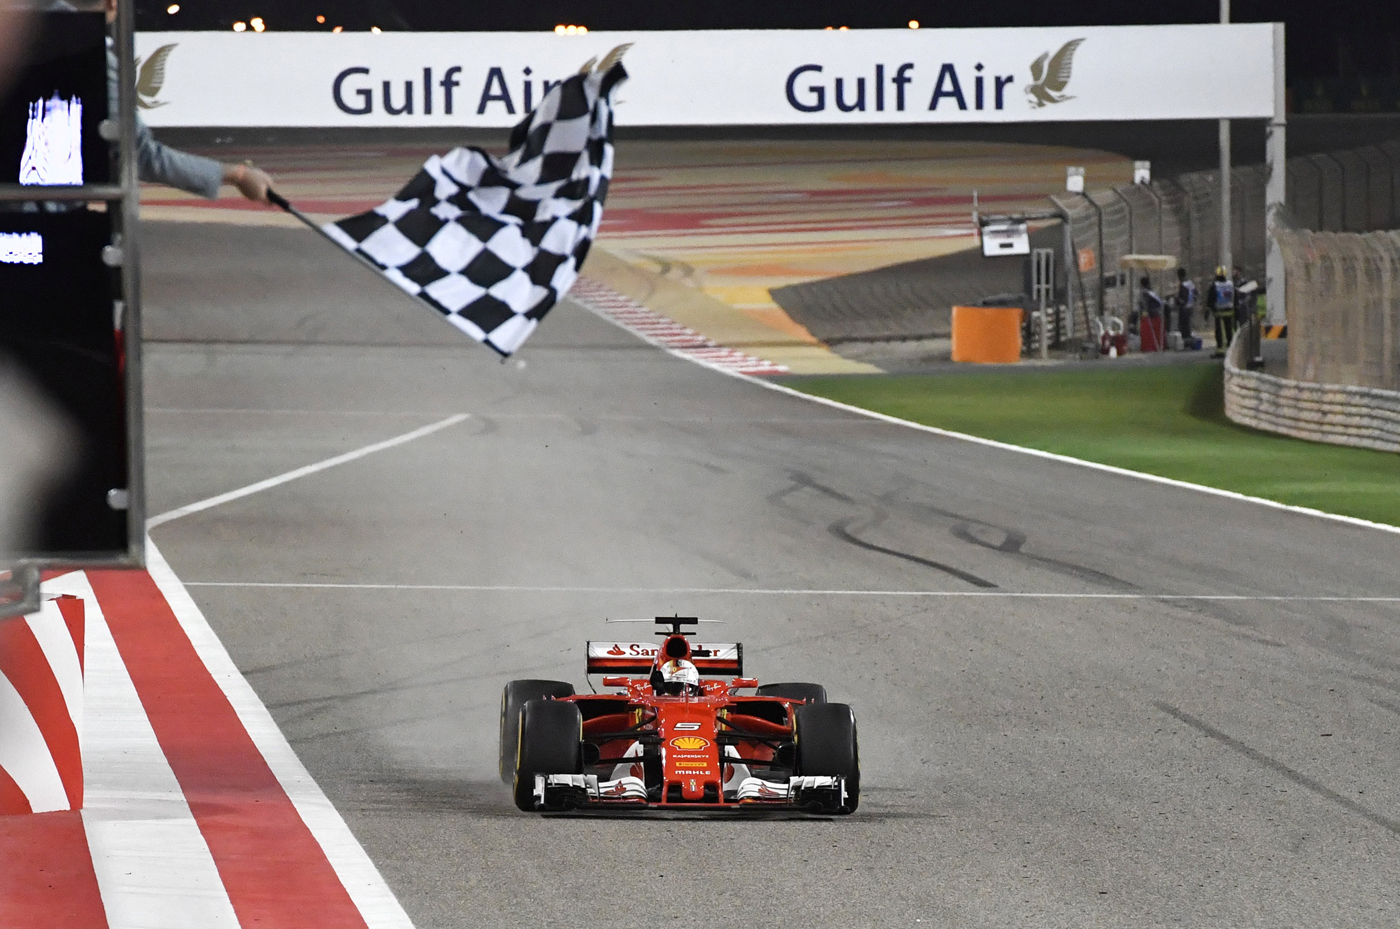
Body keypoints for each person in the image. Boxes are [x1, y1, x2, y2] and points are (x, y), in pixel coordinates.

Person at [97, 0, 272, 203]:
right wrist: (238, 174)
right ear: (112, 3)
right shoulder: (96, 59)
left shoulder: (55, 37)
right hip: (64, 207)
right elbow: (139, 153)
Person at [1205, 265, 1236, 358]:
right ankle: (1231, 350)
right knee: (1229, 331)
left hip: (1219, 313)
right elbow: (1235, 297)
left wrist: (1208, 310)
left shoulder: (1215, 285)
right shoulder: (1230, 284)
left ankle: (1220, 351)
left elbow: (1210, 299)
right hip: (1230, 312)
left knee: (1220, 333)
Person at [1137, 275, 1164, 351]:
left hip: (1150, 315)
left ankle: (1150, 347)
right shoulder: (1152, 291)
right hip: (1157, 313)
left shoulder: (1145, 292)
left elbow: (1144, 305)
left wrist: (1142, 312)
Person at [1174, 267, 1197, 343]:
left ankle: (1186, 342)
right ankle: (1189, 340)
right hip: (1190, 307)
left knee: (1183, 326)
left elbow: (1182, 299)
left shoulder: (1183, 285)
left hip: (1184, 308)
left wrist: (1176, 300)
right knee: (1188, 326)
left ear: (1179, 275)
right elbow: (1196, 294)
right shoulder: (1190, 283)